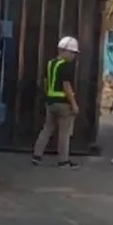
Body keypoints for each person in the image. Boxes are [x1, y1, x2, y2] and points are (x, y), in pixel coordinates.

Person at [32, 36, 81, 169]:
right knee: (64, 133)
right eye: (73, 53)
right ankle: (63, 161)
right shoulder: (66, 66)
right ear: (64, 51)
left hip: (51, 101)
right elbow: (66, 86)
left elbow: (45, 82)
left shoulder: (51, 63)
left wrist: (48, 95)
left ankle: (37, 156)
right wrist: (74, 104)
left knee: (47, 129)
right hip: (64, 104)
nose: (74, 56)